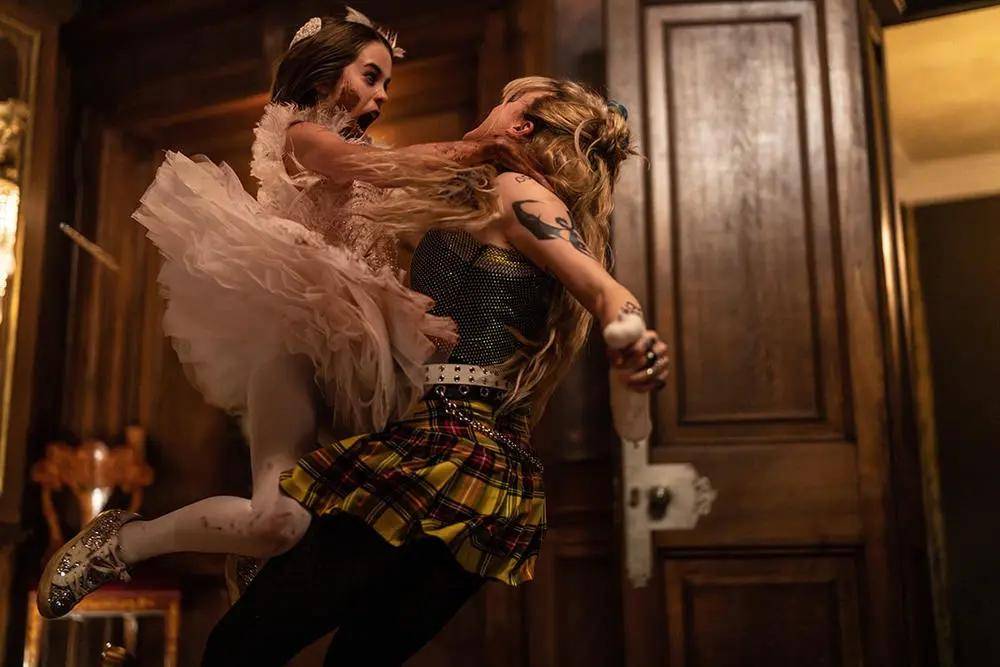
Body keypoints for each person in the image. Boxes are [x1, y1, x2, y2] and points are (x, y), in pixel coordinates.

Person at [36, 6, 538, 620]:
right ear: (325, 73)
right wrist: (478, 145)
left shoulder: (364, 151)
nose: (381, 95)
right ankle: (123, 541)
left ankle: (255, 555)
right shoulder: (300, 135)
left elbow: (401, 186)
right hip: (296, 328)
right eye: (371, 76)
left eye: (387, 84)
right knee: (279, 523)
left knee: (330, 522)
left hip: (359, 348)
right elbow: (370, 166)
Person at [199, 76, 670, 665]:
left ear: (519, 126)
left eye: (506, 101)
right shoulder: (491, 198)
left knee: (239, 647)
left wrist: (632, 338)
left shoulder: (517, 190)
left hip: (441, 456)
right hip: (489, 477)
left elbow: (604, 291)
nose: (492, 107)